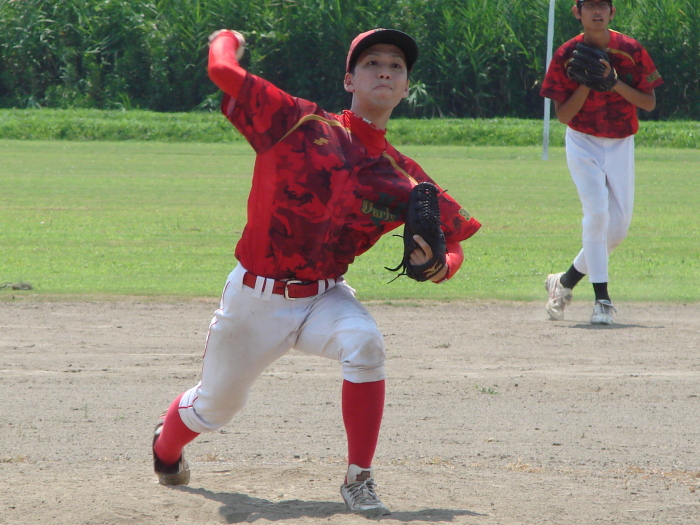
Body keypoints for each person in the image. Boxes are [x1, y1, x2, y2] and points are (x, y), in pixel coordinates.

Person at [151, 28, 481, 517]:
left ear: (406, 87)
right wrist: (227, 37)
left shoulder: (401, 176)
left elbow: (454, 240)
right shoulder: (299, 122)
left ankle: (358, 478)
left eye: (396, 65)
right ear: (349, 80)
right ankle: (165, 449)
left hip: (325, 297)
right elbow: (222, 70)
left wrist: (440, 266)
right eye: (372, 63)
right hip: (255, 299)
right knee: (214, 408)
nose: (385, 71)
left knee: (365, 343)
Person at [539, 0, 662, 325]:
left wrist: (612, 81)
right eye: (590, 5)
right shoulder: (566, 54)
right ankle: (602, 301)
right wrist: (586, 81)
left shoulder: (630, 50)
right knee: (596, 214)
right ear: (577, 12)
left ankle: (564, 281)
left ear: (612, 12)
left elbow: (649, 103)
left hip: (621, 142)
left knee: (617, 230)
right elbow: (564, 116)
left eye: (603, 5)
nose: (597, 12)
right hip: (583, 141)